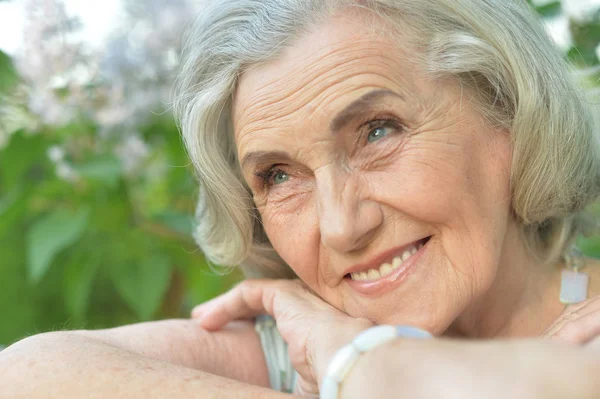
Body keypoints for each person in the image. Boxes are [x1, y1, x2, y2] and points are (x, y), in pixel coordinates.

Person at [1, 0, 600, 397]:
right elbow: (25, 377)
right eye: (279, 176)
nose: (341, 227)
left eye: (378, 131)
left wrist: (362, 367)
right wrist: (358, 360)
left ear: (508, 115)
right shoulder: (305, 343)